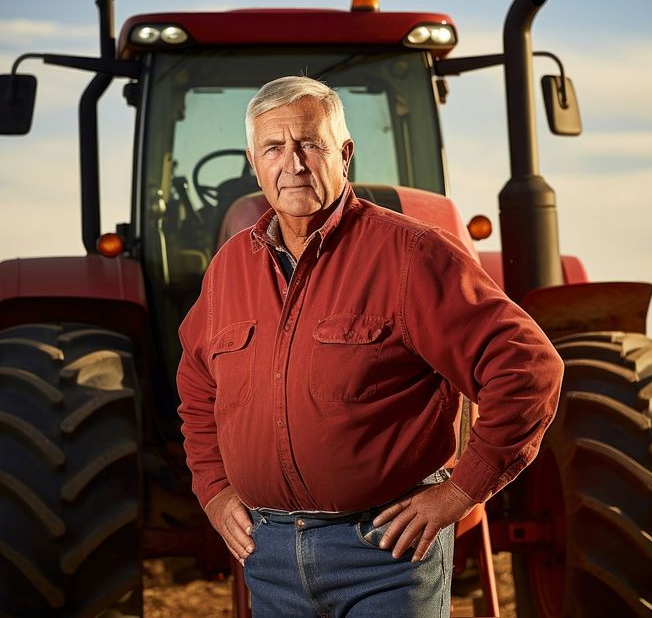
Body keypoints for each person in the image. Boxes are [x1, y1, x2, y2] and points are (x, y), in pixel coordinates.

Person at [177, 76, 564, 616]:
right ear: (253, 161)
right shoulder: (228, 270)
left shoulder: (411, 254)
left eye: (310, 144)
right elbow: (198, 388)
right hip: (269, 557)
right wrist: (215, 491)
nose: (293, 163)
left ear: (345, 153)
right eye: (273, 148)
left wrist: (458, 492)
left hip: (384, 555)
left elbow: (528, 366)